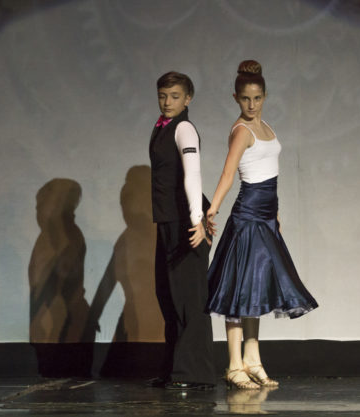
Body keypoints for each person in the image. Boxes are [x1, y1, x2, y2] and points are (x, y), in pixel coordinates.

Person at [206, 60, 318, 389]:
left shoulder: (265, 126)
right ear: (235, 98)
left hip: (266, 218)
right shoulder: (242, 131)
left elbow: (271, 173)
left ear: (265, 96)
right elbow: (229, 173)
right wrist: (213, 208)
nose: (251, 105)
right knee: (237, 289)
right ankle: (234, 365)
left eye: (256, 98)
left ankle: (252, 360)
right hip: (247, 218)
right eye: (245, 99)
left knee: (255, 288)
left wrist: (276, 213)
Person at [149, 71, 215, 390]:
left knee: (190, 297)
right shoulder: (162, 127)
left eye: (175, 96)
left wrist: (196, 218)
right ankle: (175, 369)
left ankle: (194, 373)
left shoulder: (184, 128)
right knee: (169, 295)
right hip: (168, 220)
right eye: (163, 96)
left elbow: (193, 174)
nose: (167, 102)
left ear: (188, 99)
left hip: (186, 222)